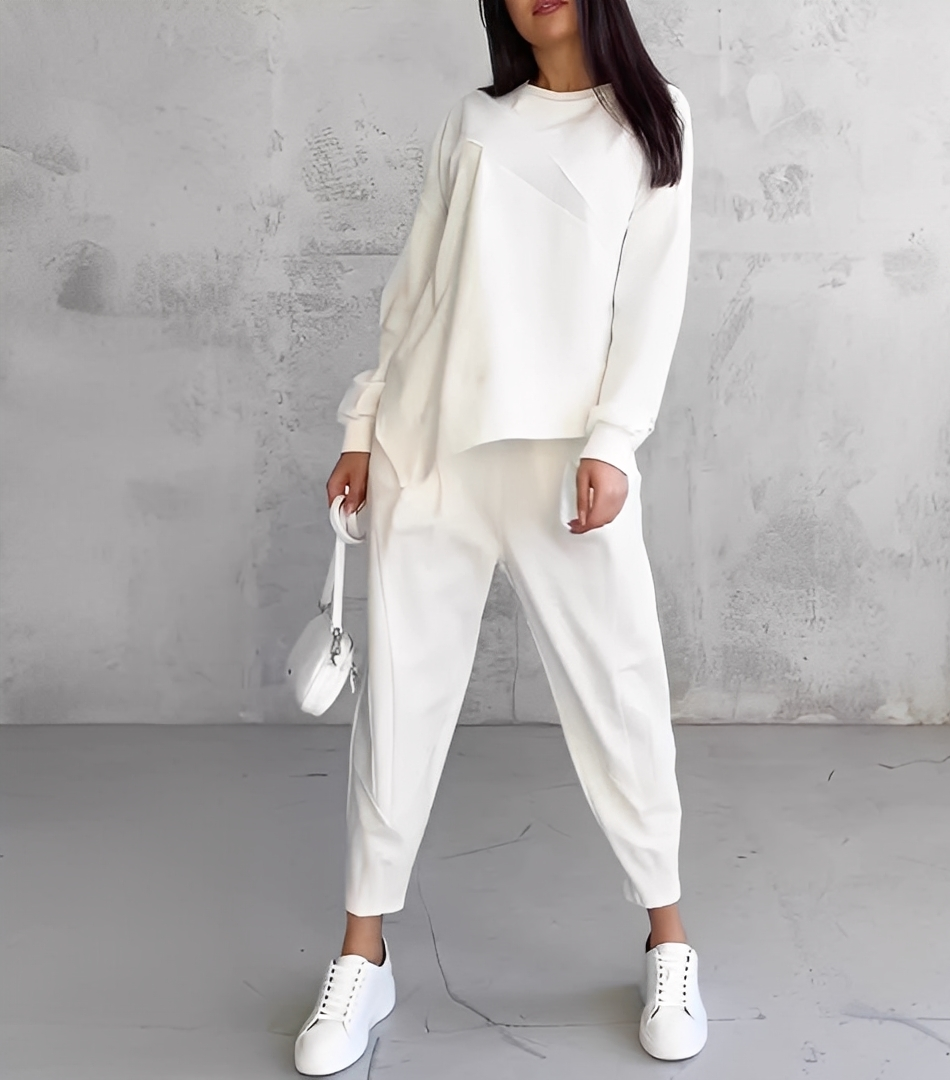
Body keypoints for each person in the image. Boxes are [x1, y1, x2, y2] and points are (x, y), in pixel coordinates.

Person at [294, 0, 704, 1072]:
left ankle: (668, 940)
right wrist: (362, 425)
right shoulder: (474, 121)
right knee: (399, 702)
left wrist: (614, 440)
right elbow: (418, 288)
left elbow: (652, 300)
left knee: (619, 687)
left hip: (563, 463)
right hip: (430, 447)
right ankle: (363, 955)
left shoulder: (654, 121)